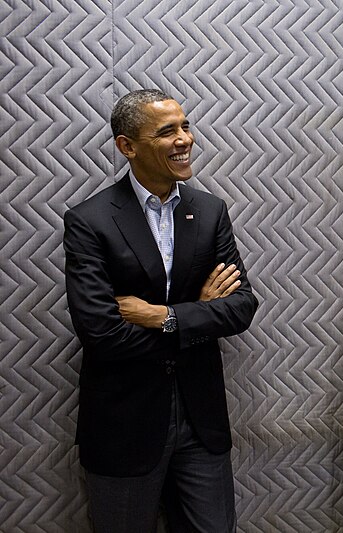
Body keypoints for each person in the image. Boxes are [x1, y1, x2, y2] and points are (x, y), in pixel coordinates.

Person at [63, 88, 258, 532]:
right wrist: (199, 314)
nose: (185, 139)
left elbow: (242, 307)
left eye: (186, 126)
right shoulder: (90, 221)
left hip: (201, 422)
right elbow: (102, 334)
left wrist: (162, 316)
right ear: (126, 146)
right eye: (167, 131)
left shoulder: (209, 211)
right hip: (124, 426)